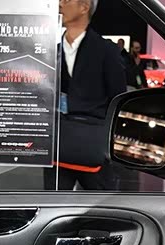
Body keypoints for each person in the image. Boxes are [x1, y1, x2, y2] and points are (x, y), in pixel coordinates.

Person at [43, 0, 126, 191]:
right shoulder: (50, 52)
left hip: (93, 147)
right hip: (58, 146)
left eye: (67, 0)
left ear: (84, 7)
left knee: (102, 206)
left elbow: (118, 100)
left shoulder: (107, 51)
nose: (60, 4)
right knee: (53, 205)